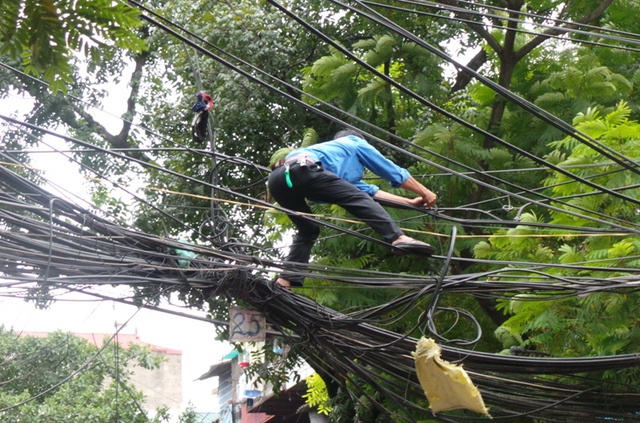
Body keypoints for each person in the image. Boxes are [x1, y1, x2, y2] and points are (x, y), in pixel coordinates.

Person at [268, 129, 438, 289]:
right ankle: (398, 238)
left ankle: (285, 280)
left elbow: (371, 193)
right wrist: (425, 191)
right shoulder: (355, 142)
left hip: (278, 180)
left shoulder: (337, 165)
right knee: (357, 199)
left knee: (309, 230)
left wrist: (409, 203)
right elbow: (391, 171)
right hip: (303, 169)